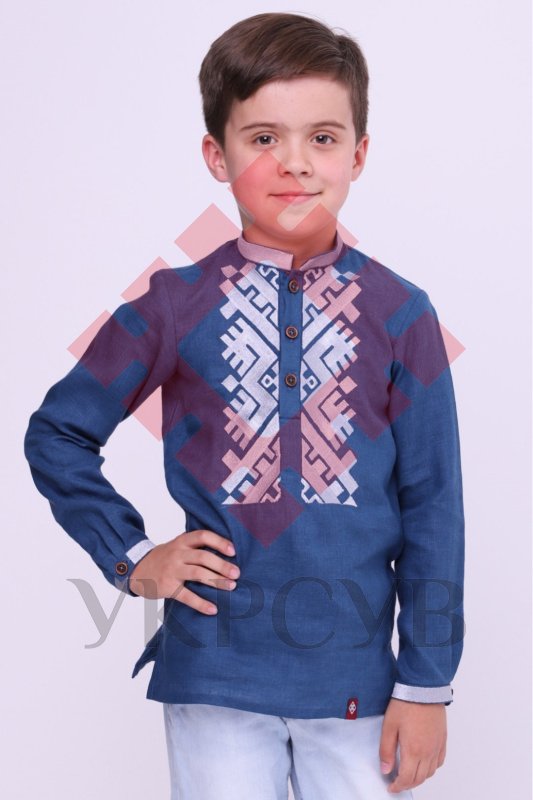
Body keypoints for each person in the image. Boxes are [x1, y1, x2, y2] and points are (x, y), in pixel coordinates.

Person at [23, 11, 465, 800]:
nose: (294, 162)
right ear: (216, 156)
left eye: (321, 137)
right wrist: (132, 557)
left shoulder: (401, 313)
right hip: (214, 675)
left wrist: (426, 686)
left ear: (357, 155)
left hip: (357, 680)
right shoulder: (174, 304)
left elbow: (434, 506)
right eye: (263, 137)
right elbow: (58, 432)